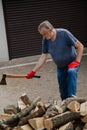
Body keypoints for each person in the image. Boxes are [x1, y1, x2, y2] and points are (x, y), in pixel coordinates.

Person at [26, 20, 84, 100]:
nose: (44, 36)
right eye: (42, 35)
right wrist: (33, 71)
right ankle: (65, 105)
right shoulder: (45, 40)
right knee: (63, 91)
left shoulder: (64, 33)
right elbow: (43, 57)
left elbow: (80, 46)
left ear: (51, 30)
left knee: (71, 73)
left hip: (72, 64)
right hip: (60, 67)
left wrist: (77, 62)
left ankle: (72, 99)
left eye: (45, 34)